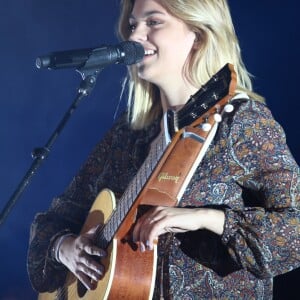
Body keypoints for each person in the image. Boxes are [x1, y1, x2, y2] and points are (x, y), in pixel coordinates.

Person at [27, 0, 300, 299]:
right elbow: (53, 218)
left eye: (153, 22)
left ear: (198, 33)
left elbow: (294, 230)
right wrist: (64, 247)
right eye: (133, 25)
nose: (134, 37)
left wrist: (205, 218)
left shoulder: (241, 123)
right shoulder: (128, 134)